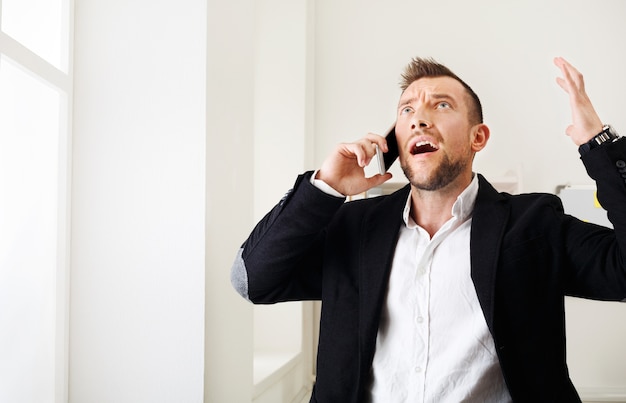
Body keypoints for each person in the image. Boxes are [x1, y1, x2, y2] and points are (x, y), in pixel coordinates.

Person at [230, 56, 626, 402]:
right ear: (395, 142)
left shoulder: (535, 223)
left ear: (478, 137)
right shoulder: (353, 228)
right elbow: (253, 280)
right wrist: (324, 188)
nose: (419, 117)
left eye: (441, 105)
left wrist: (599, 144)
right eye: (406, 111)